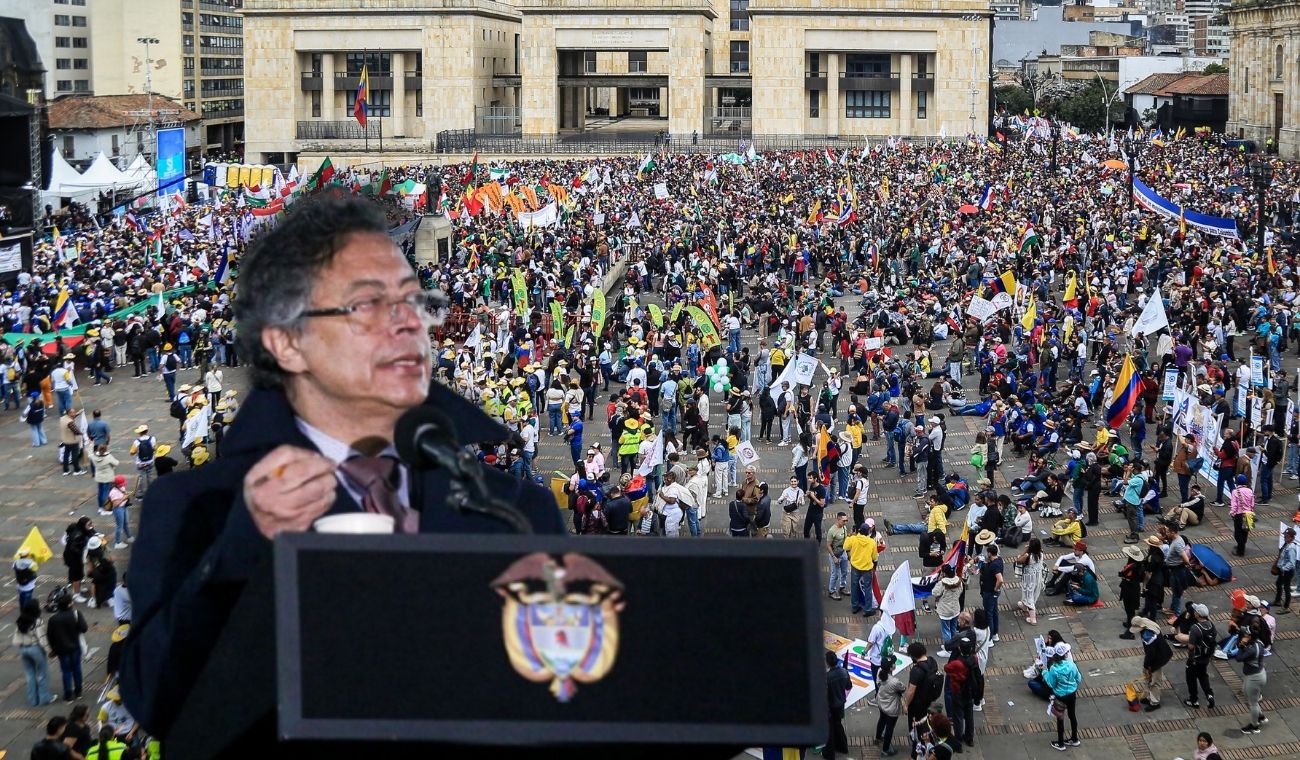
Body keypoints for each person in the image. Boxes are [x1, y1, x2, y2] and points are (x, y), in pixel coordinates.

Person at [119, 196, 565, 740]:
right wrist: (243, 544)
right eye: (367, 306)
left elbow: (562, 700)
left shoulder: (516, 510)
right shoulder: (198, 509)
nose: (407, 324)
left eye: (413, 300)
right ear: (287, 343)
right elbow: (159, 700)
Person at [13, 600, 57, 707]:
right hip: (35, 649)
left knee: (30, 674)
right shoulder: (37, 621)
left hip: (23, 648)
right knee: (42, 674)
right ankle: (44, 698)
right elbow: (42, 638)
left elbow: (16, 637)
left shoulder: (21, 620)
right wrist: (49, 651)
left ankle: (33, 699)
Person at [46, 592, 87, 702]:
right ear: (69, 604)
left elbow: (50, 636)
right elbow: (84, 628)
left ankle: (68, 694)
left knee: (66, 671)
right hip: (75, 647)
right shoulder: (76, 614)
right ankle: (78, 691)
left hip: (61, 650)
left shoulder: (53, 619)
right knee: (77, 669)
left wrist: (53, 649)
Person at [1042, 642, 1082, 751]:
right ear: (1065, 654)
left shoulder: (1054, 669)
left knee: (1060, 718)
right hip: (1072, 694)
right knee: (1072, 715)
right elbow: (1078, 679)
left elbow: (1051, 684)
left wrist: (1044, 672)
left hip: (1060, 696)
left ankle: (1060, 743)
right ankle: (1074, 739)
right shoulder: (1071, 665)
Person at [1231, 623, 1267, 734]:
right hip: (1254, 675)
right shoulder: (1257, 642)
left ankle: (1254, 726)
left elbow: (1238, 658)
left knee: (1253, 703)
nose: (1244, 634)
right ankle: (1260, 716)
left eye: (1246, 634)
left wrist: (1241, 645)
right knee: (1246, 694)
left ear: (1250, 637)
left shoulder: (1252, 649)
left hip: (1255, 677)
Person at [1130, 616, 1171, 711]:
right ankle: (1149, 696)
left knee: (1155, 680)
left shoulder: (1148, 636)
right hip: (1162, 652)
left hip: (1159, 658)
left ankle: (1154, 702)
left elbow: (1150, 654)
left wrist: (1147, 666)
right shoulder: (1146, 622)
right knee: (1149, 677)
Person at [1180, 603, 1218, 709]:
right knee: (1203, 675)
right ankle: (1209, 695)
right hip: (1205, 658)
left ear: (1198, 615)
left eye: (1196, 612)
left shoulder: (1195, 628)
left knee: (1191, 678)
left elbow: (1191, 646)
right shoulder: (1211, 625)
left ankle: (1194, 700)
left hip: (1195, 659)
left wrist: (1191, 658)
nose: (1194, 613)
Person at [844, 521, 880, 616]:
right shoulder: (871, 542)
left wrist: (849, 535)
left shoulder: (853, 539)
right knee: (868, 588)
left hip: (855, 566)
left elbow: (845, 546)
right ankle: (868, 609)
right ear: (868, 531)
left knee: (854, 586)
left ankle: (855, 606)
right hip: (867, 568)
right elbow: (874, 557)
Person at [873, 655, 906, 757]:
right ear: (891, 668)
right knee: (889, 728)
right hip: (891, 708)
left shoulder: (879, 672)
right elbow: (903, 688)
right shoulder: (895, 682)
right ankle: (886, 749)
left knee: (882, 720)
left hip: (881, 702)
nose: (895, 664)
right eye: (893, 663)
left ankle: (878, 738)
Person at [823, 650, 851, 760]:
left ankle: (830, 753)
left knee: (830, 729)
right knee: (838, 725)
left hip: (830, 706)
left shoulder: (827, 677)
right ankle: (843, 747)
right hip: (840, 705)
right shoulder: (844, 672)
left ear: (828, 663)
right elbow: (848, 686)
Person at [1015, 538, 1045, 625]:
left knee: (1029, 595)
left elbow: (1019, 560)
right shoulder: (1041, 553)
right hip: (1037, 577)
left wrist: (1026, 550)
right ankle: (1024, 606)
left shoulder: (1028, 556)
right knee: (1033, 593)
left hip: (1029, 579)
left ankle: (1033, 619)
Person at [978, 543, 1004, 641]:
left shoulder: (994, 565)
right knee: (994, 612)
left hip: (990, 592)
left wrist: (996, 588)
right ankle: (995, 634)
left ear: (989, 553)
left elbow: (1000, 579)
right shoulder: (999, 560)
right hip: (991, 592)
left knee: (989, 613)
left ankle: (990, 637)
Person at [826, 511, 850, 600]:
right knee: (835, 574)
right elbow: (828, 545)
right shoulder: (832, 531)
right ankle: (831, 591)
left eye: (846, 520)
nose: (845, 522)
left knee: (844, 571)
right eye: (844, 521)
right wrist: (833, 557)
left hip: (843, 552)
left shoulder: (844, 527)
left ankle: (842, 587)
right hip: (835, 554)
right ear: (838, 519)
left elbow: (846, 539)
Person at [1229, 473, 1254, 556]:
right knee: (1245, 532)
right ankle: (1242, 545)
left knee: (1237, 534)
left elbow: (1234, 505)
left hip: (1239, 515)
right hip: (1249, 514)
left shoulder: (1235, 492)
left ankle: (1240, 551)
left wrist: (1232, 513)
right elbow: (1252, 504)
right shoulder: (1250, 491)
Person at [1274, 527, 1298, 613]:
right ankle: (1277, 601)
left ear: (1291, 537)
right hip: (1283, 570)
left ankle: (1286, 607)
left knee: (1286, 588)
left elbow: (1291, 563)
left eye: (1287, 536)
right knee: (1278, 584)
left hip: (1287, 571)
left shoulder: (1291, 548)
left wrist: (1283, 568)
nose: (1284, 538)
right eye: (1284, 536)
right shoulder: (1286, 544)